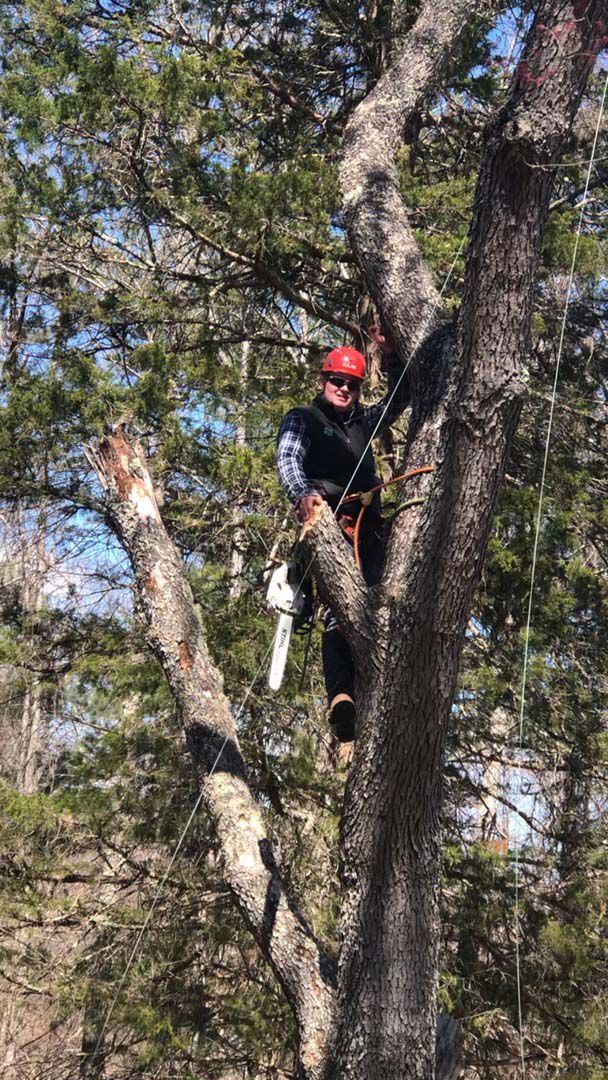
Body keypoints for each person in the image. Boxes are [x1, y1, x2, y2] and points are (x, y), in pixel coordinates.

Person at [277, 326, 411, 745]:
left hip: (370, 524)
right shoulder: (304, 418)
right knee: (341, 612)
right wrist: (304, 496)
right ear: (324, 381)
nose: (344, 389)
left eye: (351, 384)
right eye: (337, 381)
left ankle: (384, 688)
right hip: (330, 522)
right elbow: (288, 458)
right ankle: (341, 699)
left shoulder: (363, 420)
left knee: (389, 602)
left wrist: (389, 353)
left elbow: (401, 396)